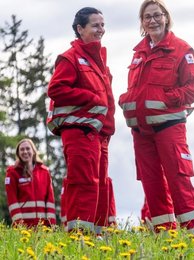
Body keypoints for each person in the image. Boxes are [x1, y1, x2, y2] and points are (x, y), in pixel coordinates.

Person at [118, 0, 194, 234]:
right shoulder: (138, 53)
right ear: (142, 22)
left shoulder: (181, 49)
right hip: (140, 132)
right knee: (152, 184)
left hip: (169, 127)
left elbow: (193, 89)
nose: (152, 20)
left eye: (157, 15)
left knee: (179, 179)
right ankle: (165, 235)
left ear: (166, 17)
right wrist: (128, 100)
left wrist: (166, 99)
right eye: (147, 17)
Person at [47, 7, 116, 233]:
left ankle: (97, 238)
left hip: (98, 134)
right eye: (95, 25)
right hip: (79, 132)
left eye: (103, 25)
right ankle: (79, 238)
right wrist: (89, 97)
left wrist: (107, 131)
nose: (101, 30)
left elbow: (107, 101)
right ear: (80, 29)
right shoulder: (70, 58)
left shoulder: (100, 62)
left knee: (101, 185)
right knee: (83, 182)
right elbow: (56, 89)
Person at [5, 138, 56, 227]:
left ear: (33, 151)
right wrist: (19, 225)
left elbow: (50, 200)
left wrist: (51, 225)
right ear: (18, 153)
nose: (25, 151)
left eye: (28, 148)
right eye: (22, 149)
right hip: (23, 228)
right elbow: (12, 201)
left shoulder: (45, 172)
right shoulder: (12, 173)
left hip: (43, 228)